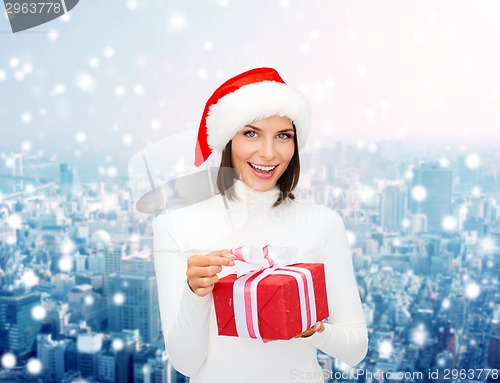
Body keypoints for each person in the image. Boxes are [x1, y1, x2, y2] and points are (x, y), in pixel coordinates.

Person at [153, 68, 368, 383]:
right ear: (228, 139)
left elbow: (355, 348)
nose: (268, 152)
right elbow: (186, 363)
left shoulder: (322, 224)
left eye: (283, 135)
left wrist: (311, 328)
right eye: (251, 133)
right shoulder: (176, 225)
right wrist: (195, 293)